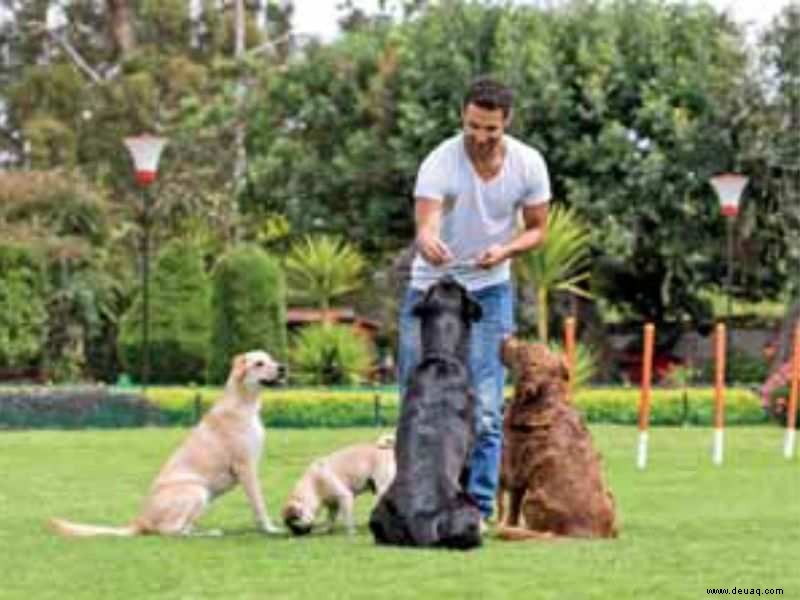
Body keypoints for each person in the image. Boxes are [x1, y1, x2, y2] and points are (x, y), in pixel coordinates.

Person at [397, 76, 552, 528]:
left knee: (485, 406)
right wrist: (427, 240)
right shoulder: (440, 162)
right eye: (473, 126)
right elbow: (426, 219)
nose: (480, 137)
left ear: (507, 122)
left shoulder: (528, 164)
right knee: (414, 397)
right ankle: (412, 499)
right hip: (430, 289)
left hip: (490, 288)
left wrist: (505, 250)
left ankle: (478, 511)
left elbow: (538, 228)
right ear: (462, 117)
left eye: (491, 129)